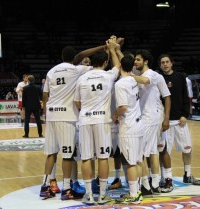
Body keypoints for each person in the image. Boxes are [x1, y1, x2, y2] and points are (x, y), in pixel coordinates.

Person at [40, 43, 106, 201]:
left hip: (51, 115)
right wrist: (103, 47)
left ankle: (45, 187)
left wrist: (45, 115)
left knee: (51, 153)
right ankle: (67, 189)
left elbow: (45, 95)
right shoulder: (77, 70)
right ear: (74, 58)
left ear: (62, 57)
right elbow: (86, 59)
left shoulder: (51, 71)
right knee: (68, 155)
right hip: (67, 116)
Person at [74, 37, 119, 205]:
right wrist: (113, 48)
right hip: (102, 121)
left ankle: (88, 195)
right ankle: (101, 195)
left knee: (86, 158)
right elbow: (118, 66)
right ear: (105, 62)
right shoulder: (108, 76)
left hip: (85, 120)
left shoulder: (82, 78)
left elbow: (77, 103)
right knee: (103, 158)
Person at [158, 54, 200, 186]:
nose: (165, 64)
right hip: (164, 122)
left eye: (167, 62)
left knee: (187, 148)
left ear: (172, 63)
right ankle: (164, 177)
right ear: (160, 65)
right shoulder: (158, 79)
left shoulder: (181, 77)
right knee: (163, 151)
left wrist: (185, 114)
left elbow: (186, 96)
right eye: (162, 62)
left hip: (179, 120)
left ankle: (188, 175)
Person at [131, 49, 170, 196]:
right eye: (135, 60)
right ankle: (154, 184)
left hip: (151, 118)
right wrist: (116, 50)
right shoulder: (139, 74)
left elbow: (167, 97)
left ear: (146, 61)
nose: (135, 62)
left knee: (140, 153)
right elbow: (126, 64)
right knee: (153, 152)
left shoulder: (153, 75)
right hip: (147, 118)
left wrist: (166, 118)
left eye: (138, 59)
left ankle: (146, 186)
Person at [113, 55, 144, 204]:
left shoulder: (120, 84)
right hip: (139, 124)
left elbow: (123, 107)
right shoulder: (134, 79)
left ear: (119, 67)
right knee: (137, 161)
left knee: (131, 162)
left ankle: (134, 195)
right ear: (132, 67)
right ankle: (137, 191)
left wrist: (114, 114)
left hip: (129, 127)